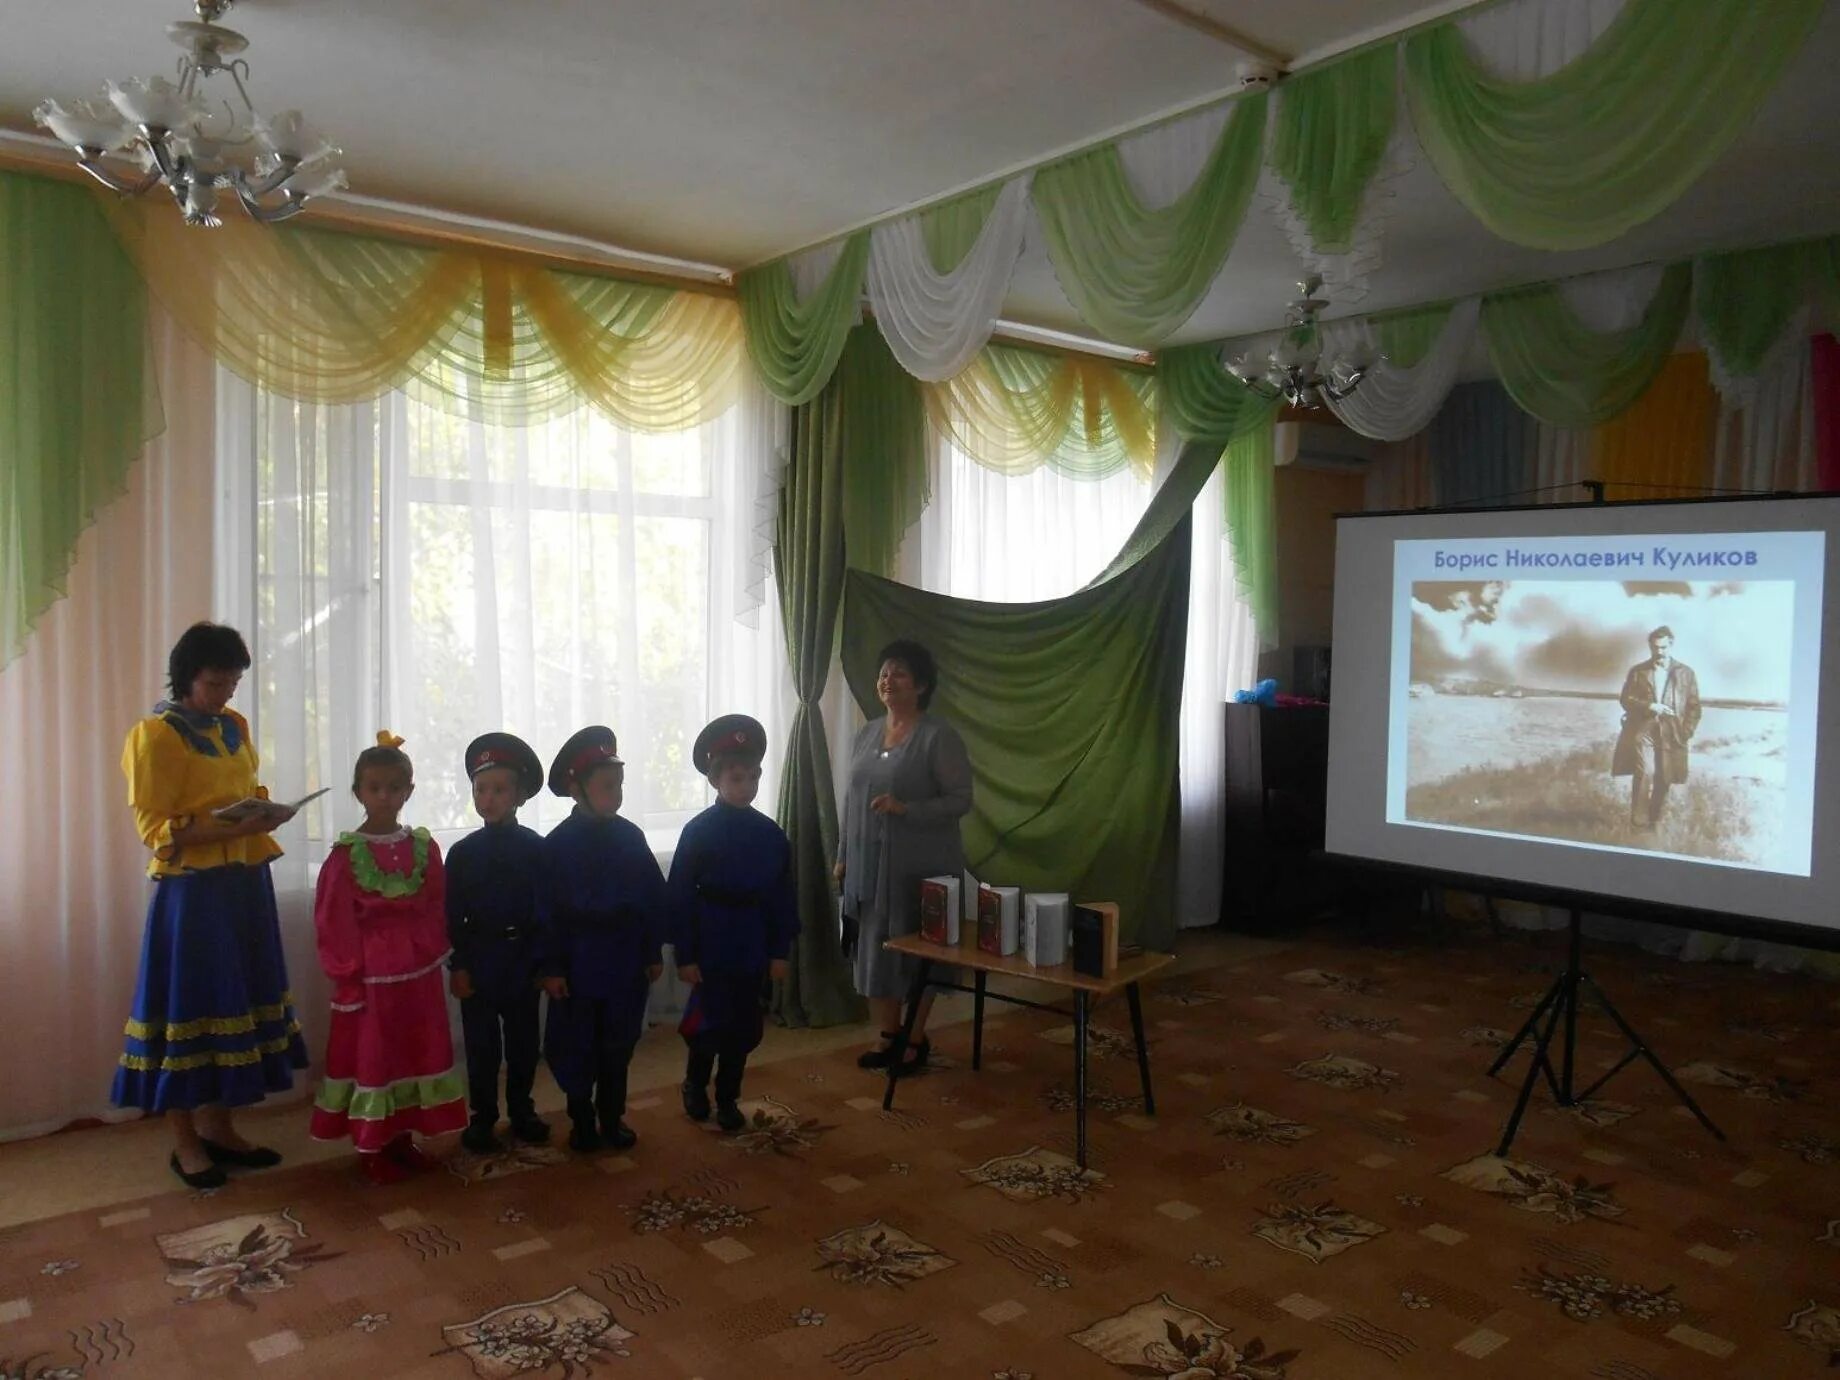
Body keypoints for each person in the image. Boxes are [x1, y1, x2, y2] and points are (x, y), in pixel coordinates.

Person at [114, 622, 309, 1189]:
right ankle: (184, 1142)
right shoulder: (154, 736)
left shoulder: (233, 726)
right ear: (185, 678)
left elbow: (245, 786)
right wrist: (225, 826)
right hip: (192, 893)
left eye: (233, 682)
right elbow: (155, 829)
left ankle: (221, 1129)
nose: (225, 692)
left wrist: (266, 810)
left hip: (244, 883)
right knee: (188, 1008)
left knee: (235, 1000)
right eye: (215, 682)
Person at [310, 733, 468, 1183]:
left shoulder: (424, 847)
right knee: (376, 1058)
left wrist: (433, 948)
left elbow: (437, 902)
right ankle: (372, 1144)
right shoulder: (346, 856)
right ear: (358, 791)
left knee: (413, 1053)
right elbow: (333, 917)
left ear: (409, 792)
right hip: (373, 975)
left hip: (415, 971)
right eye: (375, 787)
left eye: (395, 787)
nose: (385, 796)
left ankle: (402, 1137)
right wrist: (347, 975)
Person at [834, 639, 973, 1076]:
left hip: (919, 866)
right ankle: (888, 1036)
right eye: (883, 673)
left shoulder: (938, 736)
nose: (887, 680)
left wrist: (907, 809)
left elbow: (960, 800)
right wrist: (842, 855)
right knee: (873, 950)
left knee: (916, 952)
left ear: (922, 685)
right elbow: (851, 799)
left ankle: (915, 1039)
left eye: (899, 674)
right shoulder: (867, 732)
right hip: (867, 866)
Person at [669, 715, 798, 1133]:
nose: (745, 786)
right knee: (708, 1024)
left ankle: (728, 1097)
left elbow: (781, 898)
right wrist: (685, 955)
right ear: (716, 779)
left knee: (742, 1028)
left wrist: (779, 951)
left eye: (751, 778)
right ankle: (694, 1083)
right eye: (735, 777)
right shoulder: (698, 832)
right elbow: (681, 898)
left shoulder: (771, 835)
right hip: (711, 937)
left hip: (751, 940)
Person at [540, 726, 666, 1153]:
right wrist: (553, 968)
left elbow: (651, 898)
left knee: (618, 1045)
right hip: (577, 964)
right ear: (577, 788)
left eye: (620, 784)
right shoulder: (556, 847)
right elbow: (547, 915)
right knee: (577, 1046)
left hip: (624, 961)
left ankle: (612, 1118)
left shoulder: (630, 837)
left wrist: (651, 951)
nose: (617, 793)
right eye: (607, 785)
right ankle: (582, 1121)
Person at [446, 732, 551, 1154]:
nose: (488, 798)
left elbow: (545, 912)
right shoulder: (463, 853)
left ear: (520, 794)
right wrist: (460, 966)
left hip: (522, 958)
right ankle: (483, 1116)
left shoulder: (537, 850)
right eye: (480, 789)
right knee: (482, 1046)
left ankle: (522, 1109)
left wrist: (544, 964)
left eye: (499, 789)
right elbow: (453, 917)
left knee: (525, 1042)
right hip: (481, 958)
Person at [1612, 625, 1702, 832]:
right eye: (1655, 648)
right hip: (1644, 730)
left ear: (1671, 646)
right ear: (1650, 647)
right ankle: (1638, 822)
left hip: (1672, 733)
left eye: (1663, 647)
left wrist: (1686, 732)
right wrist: (1650, 706)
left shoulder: (1686, 673)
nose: (1658, 652)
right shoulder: (1638, 671)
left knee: (1664, 777)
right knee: (1645, 772)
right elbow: (1626, 699)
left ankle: (1653, 821)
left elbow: (1694, 707)